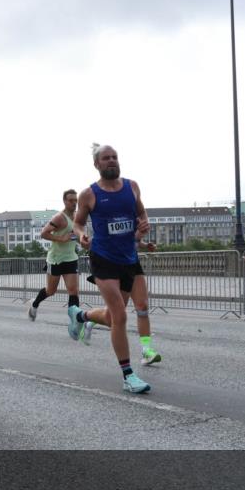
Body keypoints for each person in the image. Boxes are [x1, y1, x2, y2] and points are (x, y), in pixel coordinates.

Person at [71, 144, 157, 394]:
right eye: (106, 158)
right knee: (120, 316)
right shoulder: (89, 194)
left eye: (115, 157)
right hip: (103, 258)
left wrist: (144, 225)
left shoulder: (132, 187)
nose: (111, 161)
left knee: (111, 317)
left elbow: (141, 213)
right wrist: (81, 236)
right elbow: (77, 223)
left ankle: (81, 316)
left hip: (129, 258)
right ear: (96, 164)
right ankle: (128, 375)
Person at [30, 189, 81, 320]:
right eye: (71, 200)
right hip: (55, 260)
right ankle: (34, 305)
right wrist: (61, 238)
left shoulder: (78, 217)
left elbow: (77, 235)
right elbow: (43, 233)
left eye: (76, 200)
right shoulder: (59, 218)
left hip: (70, 258)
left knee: (73, 291)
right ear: (64, 201)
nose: (74, 203)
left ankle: (74, 322)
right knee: (51, 291)